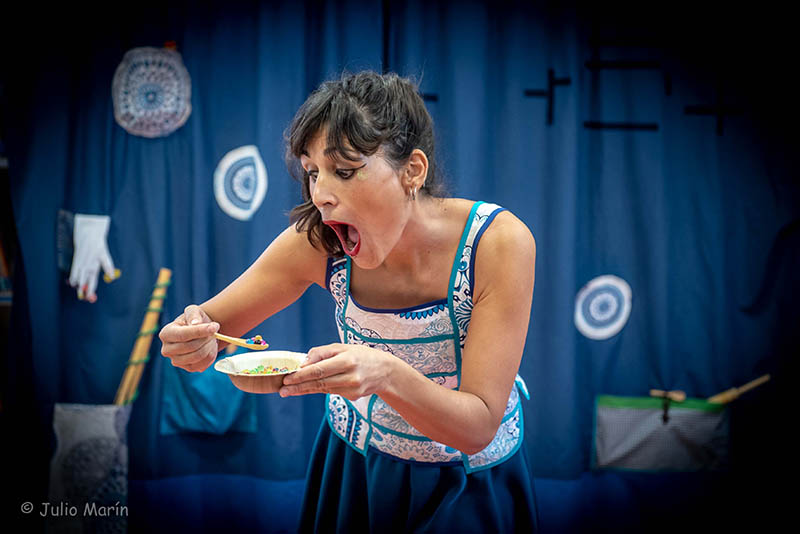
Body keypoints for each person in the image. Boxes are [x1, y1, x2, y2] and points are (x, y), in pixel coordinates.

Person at [159, 70, 537, 532]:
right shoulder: (317, 242)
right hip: (355, 470)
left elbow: (477, 428)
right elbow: (212, 327)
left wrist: (385, 373)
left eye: (344, 171)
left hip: (470, 485)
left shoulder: (498, 243)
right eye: (312, 172)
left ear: (412, 171)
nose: (320, 195)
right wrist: (192, 339)